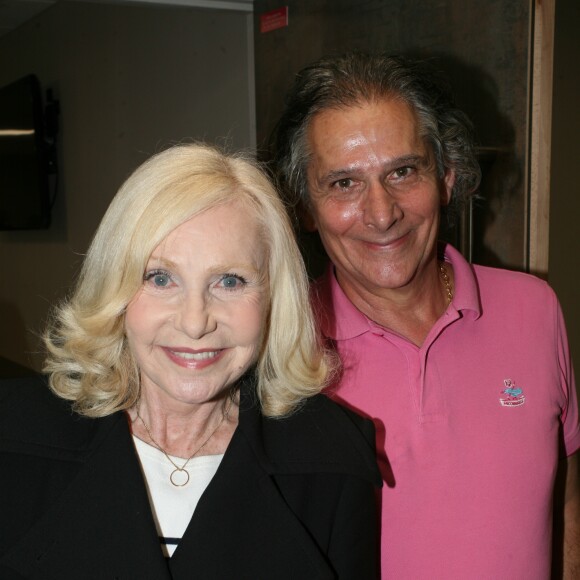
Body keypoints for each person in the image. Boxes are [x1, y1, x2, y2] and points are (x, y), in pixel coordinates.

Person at [0, 143, 382, 579]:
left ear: (275, 298)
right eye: (160, 278)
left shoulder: (333, 460)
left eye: (230, 281)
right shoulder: (13, 442)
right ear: (115, 289)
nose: (195, 321)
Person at [271, 52, 580, 579]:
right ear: (305, 205)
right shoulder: (280, 352)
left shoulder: (536, 309)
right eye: (343, 183)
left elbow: (565, 497)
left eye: (403, 171)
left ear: (447, 177)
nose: (382, 212)